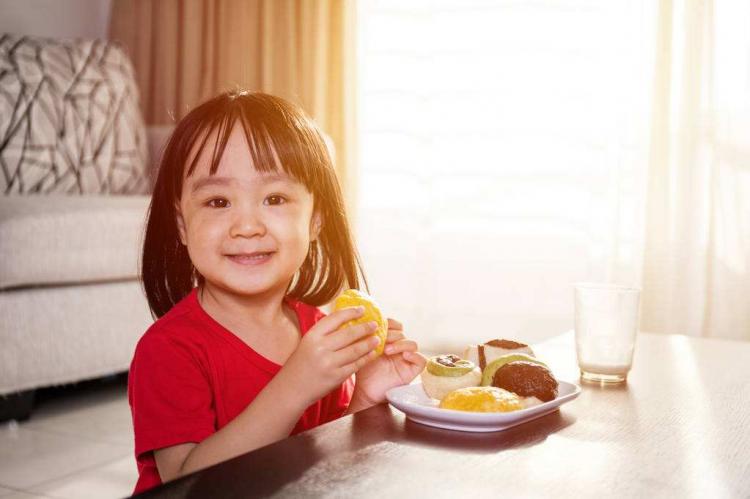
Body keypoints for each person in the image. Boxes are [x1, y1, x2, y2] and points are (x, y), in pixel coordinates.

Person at [129, 91, 427, 494]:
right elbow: (190, 485)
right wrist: (298, 383)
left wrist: (366, 397)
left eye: (274, 198)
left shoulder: (318, 335)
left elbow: (333, 464)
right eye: (218, 201)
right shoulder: (168, 351)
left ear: (315, 219)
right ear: (182, 225)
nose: (247, 225)